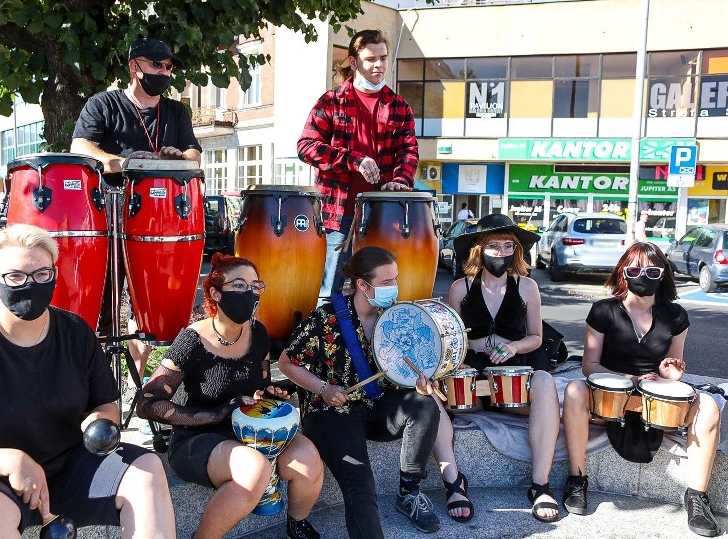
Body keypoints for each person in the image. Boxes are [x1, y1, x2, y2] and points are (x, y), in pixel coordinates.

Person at [0, 224, 175, 539]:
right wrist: (10, 461)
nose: (30, 284)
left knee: (147, 470)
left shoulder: (75, 333)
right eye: (16, 276)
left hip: (65, 469)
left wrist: (99, 422)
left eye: (42, 274)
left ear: (54, 275)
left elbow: (103, 404)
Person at [136, 253, 324, 539]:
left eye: (254, 286)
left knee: (307, 455)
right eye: (239, 286)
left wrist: (269, 394)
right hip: (198, 437)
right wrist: (218, 412)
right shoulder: (192, 340)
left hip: (249, 430)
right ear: (214, 292)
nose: (249, 294)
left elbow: (260, 386)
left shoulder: (258, 333)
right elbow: (148, 405)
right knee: (254, 468)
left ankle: (297, 522)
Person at [279, 246, 447, 538]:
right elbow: (287, 363)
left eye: (395, 279)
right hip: (332, 412)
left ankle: (409, 493)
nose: (393, 288)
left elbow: (404, 371)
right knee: (361, 485)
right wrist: (323, 387)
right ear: (362, 284)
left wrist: (418, 381)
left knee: (425, 404)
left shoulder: (397, 317)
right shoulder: (326, 318)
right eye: (386, 282)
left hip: (377, 406)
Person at [71, 37, 203, 403]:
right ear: (135, 67)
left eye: (168, 67)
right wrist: (122, 162)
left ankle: (134, 388)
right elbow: (80, 147)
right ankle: (95, 393)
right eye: (156, 65)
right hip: (109, 216)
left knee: (148, 310)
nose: (163, 73)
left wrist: (179, 156)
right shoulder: (104, 104)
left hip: (157, 225)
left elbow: (194, 154)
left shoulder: (177, 112)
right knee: (102, 309)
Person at [562, 242, 721, 537]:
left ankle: (697, 497)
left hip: (655, 394)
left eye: (652, 270)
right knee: (574, 390)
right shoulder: (603, 310)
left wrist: (669, 372)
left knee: (710, 406)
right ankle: (576, 479)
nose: (642, 275)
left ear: (663, 275)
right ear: (623, 272)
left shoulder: (676, 316)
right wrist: (626, 377)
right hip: (608, 393)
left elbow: (672, 369)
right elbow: (589, 366)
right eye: (634, 269)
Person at [447, 213, 560, 522]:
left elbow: (536, 337)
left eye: (508, 246)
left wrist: (513, 346)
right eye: (493, 246)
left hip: (514, 386)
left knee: (546, 382)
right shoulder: (461, 288)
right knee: (431, 395)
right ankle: (455, 484)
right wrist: (477, 345)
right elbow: (450, 340)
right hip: (470, 389)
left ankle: (540, 486)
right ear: (478, 249)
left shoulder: (527, 287)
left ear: (517, 250)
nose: (501, 253)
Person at [297, 29, 418, 304]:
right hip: (338, 213)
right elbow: (306, 146)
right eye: (370, 58)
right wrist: (354, 160)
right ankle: (328, 345)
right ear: (353, 62)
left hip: (384, 215)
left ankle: (375, 345)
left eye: (384, 58)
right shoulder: (330, 101)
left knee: (384, 291)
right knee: (330, 291)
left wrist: (401, 179)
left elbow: (408, 152)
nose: (379, 65)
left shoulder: (399, 106)